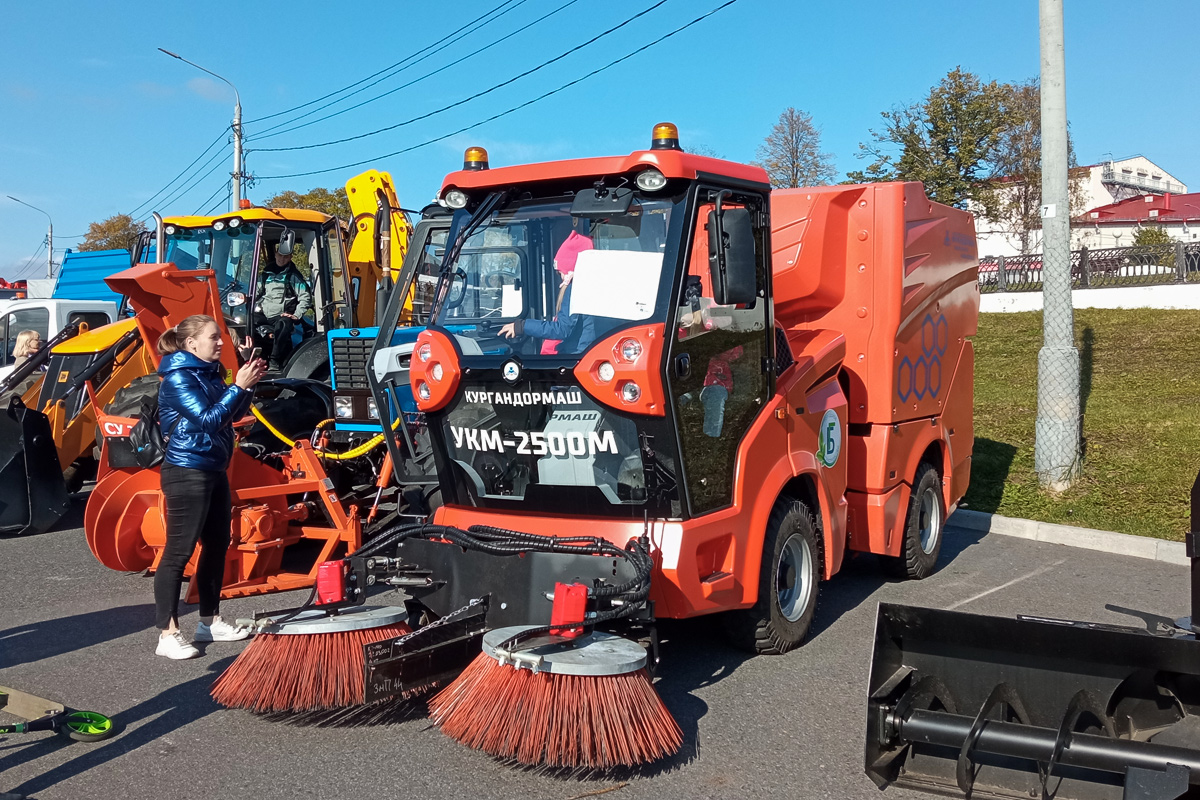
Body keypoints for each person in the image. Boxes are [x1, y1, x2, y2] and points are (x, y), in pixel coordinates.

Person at [153, 314, 266, 659]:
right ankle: (167, 634)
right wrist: (238, 386)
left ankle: (209, 621)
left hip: (213, 468)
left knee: (218, 544)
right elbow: (208, 419)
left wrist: (246, 381)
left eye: (221, 338)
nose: (221, 342)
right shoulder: (178, 379)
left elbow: (231, 413)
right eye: (214, 338)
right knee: (178, 552)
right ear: (191, 344)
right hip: (186, 469)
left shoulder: (209, 374)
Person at [498, 230, 599, 354]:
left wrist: (523, 326)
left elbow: (562, 330)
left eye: (560, 272)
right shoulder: (594, 287)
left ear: (572, 267)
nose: (561, 277)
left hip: (577, 354)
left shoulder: (576, 289)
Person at [254, 243, 312, 371]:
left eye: (286, 257)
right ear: (275, 254)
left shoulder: (293, 276)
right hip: (264, 314)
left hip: (281, 316)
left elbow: (305, 297)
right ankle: (254, 359)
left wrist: (296, 315)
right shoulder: (265, 275)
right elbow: (255, 294)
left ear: (291, 257)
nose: (282, 259)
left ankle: (275, 361)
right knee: (246, 321)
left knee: (284, 324)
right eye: (280, 255)